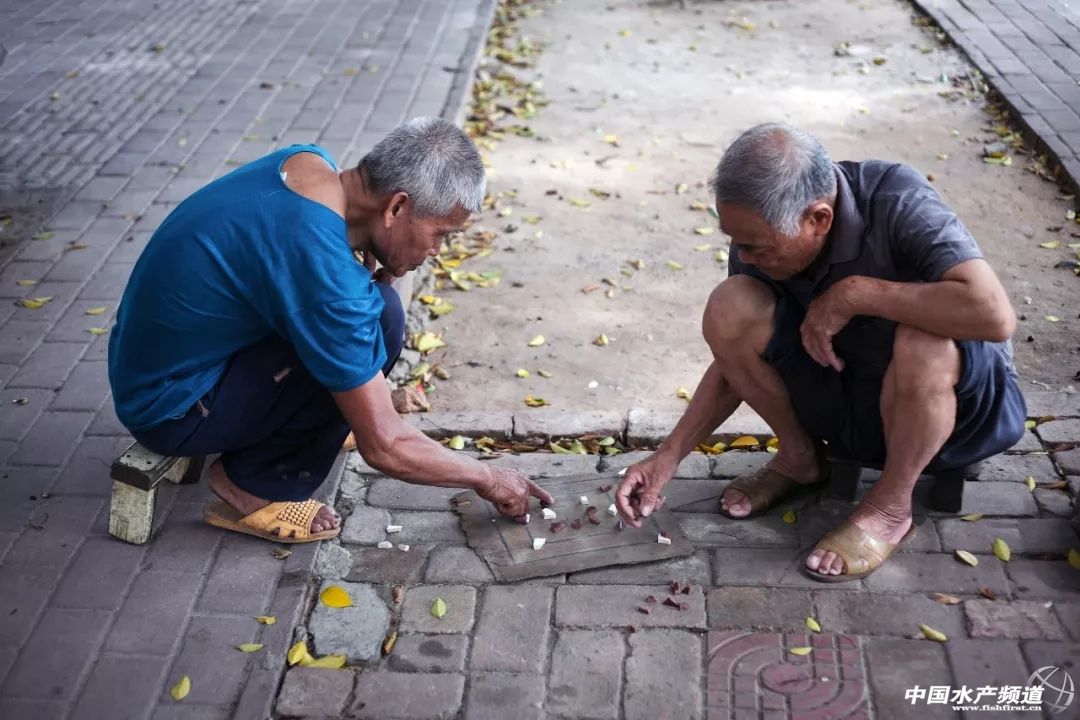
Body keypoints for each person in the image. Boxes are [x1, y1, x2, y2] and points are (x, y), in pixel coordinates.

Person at [108, 117, 553, 543]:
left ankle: (317, 419)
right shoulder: (324, 270)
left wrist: (382, 262)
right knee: (372, 322)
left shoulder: (309, 163)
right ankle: (252, 483)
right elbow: (384, 446)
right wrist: (488, 478)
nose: (436, 250)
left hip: (155, 367)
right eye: (440, 234)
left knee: (380, 313)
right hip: (173, 409)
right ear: (396, 206)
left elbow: (314, 272)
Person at [615, 123, 1025, 582]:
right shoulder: (761, 240)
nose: (743, 254)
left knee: (924, 340)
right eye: (735, 240)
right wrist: (667, 458)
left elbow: (993, 315)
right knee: (731, 304)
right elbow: (734, 361)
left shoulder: (897, 199)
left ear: (819, 219)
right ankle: (799, 458)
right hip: (850, 397)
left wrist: (856, 294)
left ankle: (891, 506)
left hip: (953, 417)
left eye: (755, 245)